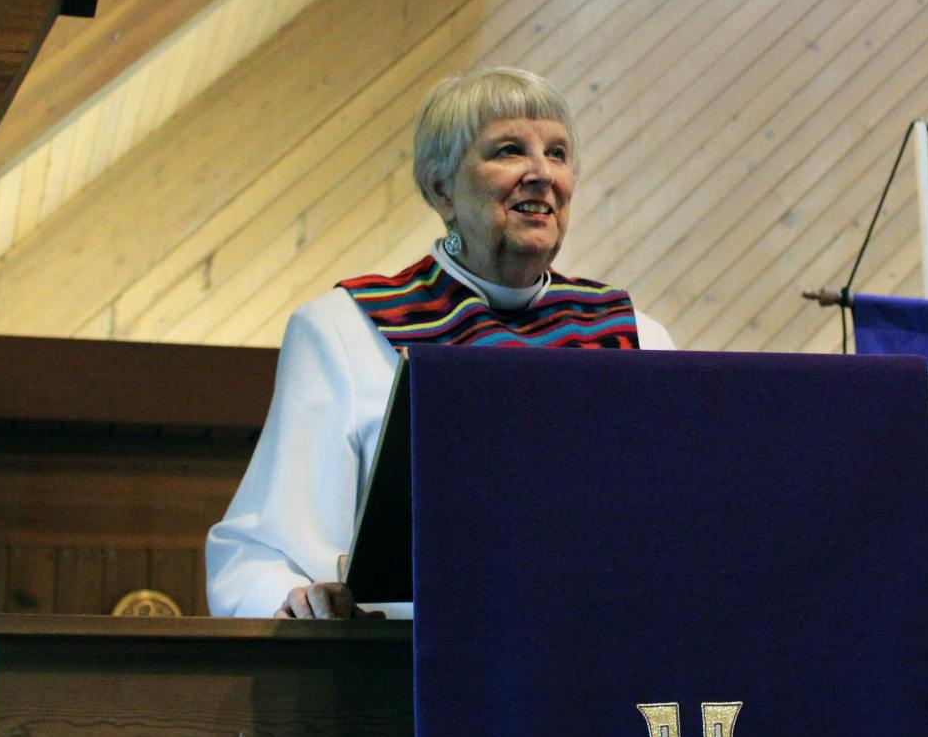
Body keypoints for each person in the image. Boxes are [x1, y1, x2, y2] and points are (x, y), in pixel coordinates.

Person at [206, 67, 673, 619]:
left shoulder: (636, 337)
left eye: (558, 153)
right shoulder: (344, 330)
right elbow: (257, 557)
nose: (542, 174)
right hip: (406, 675)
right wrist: (297, 604)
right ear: (441, 189)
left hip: (599, 664)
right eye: (508, 151)